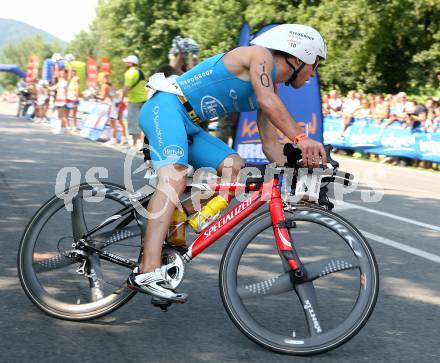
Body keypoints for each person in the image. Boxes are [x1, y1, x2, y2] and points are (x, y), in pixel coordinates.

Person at [129, 24, 328, 302]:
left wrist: (298, 182)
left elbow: (271, 146)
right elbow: (267, 101)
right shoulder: (260, 56)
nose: (314, 72)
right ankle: (147, 269)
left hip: (191, 124)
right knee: (174, 177)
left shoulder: (270, 89)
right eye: (315, 63)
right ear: (299, 56)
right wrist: (301, 137)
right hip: (167, 107)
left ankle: (175, 222)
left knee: (236, 168)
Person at [120, 55, 148, 148]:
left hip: (134, 101)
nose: (125, 63)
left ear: (130, 63)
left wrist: (120, 99)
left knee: (133, 122)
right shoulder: (140, 71)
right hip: (144, 99)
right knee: (142, 123)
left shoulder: (130, 73)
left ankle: (135, 144)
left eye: (126, 62)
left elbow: (126, 87)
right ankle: (143, 145)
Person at [99, 73, 128, 145]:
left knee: (112, 123)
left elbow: (103, 97)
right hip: (118, 104)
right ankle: (124, 138)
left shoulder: (104, 86)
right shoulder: (111, 85)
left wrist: (95, 96)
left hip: (112, 105)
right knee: (121, 122)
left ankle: (113, 139)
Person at [52, 69, 69, 134]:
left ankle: (62, 129)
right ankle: (63, 128)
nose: (61, 74)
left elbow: (69, 71)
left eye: (63, 73)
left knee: (63, 115)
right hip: (58, 100)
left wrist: (68, 63)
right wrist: (46, 86)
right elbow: (53, 87)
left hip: (64, 99)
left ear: (66, 74)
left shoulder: (68, 81)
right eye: (61, 73)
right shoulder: (60, 81)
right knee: (59, 115)